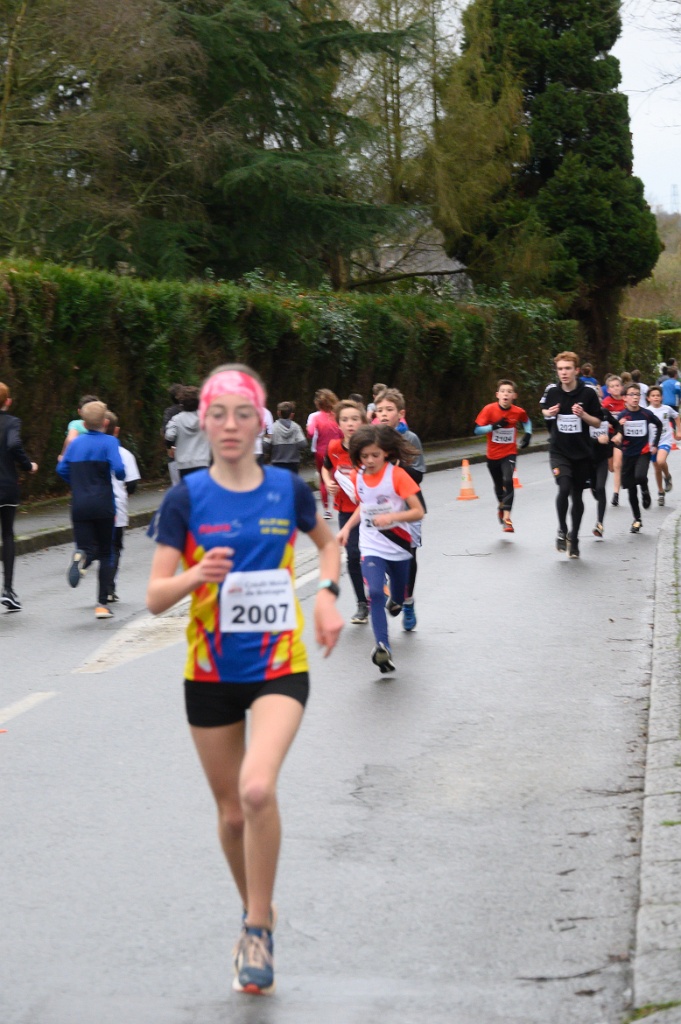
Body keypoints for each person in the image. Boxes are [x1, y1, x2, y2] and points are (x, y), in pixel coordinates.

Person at [146, 363, 343, 997]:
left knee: (257, 790)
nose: (230, 425)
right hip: (209, 673)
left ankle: (257, 929)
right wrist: (195, 575)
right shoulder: (185, 500)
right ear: (203, 423)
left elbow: (329, 544)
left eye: (242, 414)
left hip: (280, 665)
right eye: (218, 414)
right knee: (232, 814)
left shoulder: (286, 490)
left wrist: (327, 595)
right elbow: (154, 595)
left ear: (259, 423)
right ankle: (255, 906)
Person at [337, 424, 425, 673]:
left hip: (398, 544)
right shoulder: (358, 476)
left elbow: (418, 511)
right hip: (371, 544)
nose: (370, 460)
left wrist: (392, 518)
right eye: (364, 456)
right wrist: (346, 528)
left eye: (375, 455)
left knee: (396, 597)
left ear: (386, 452)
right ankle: (382, 647)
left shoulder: (397, 476)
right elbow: (364, 506)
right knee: (375, 592)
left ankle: (397, 600)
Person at [56, 400, 125, 619]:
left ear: (84, 424)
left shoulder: (75, 443)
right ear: (105, 422)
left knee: (85, 546)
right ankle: (102, 605)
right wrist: (117, 474)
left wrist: (77, 483)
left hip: (79, 504)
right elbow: (119, 470)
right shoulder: (110, 442)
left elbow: (61, 468)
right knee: (106, 553)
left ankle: (80, 556)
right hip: (103, 503)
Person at [540, 351, 602, 559]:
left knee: (577, 496)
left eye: (567, 368)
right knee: (564, 487)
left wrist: (583, 415)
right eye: (560, 369)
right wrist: (549, 413)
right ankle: (562, 529)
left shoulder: (588, 393)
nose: (563, 373)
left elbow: (598, 422)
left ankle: (574, 538)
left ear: (576, 370)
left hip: (582, 453)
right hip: (559, 451)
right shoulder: (552, 391)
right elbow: (543, 410)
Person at [374, 388, 425, 631]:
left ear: (400, 413)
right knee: (378, 553)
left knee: (408, 556)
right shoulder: (371, 439)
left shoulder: (410, 439)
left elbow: (419, 475)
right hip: (380, 509)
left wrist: (397, 466)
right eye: (380, 410)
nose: (384, 414)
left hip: (407, 509)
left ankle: (408, 601)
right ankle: (389, 587)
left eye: (389, 409)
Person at [322, 399, 369, 623]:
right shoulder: (334, 447)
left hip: (371, 510)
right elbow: (325, 468)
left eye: (354, 419)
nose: (350, 424)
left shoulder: (370, 448)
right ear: (338, 424)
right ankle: (362, 604)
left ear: (362, 422)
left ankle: (382, 586)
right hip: (346, 511)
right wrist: (328, 483)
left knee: (374, 554)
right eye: (345, 420)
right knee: (352, 555)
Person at [474, 379, 532, 532]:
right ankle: (501, 505)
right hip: (493, 455)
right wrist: (494, 426)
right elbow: (477, 430)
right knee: (499, 485)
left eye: (509, 391)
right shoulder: (489, 409)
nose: (506, 394)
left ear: (514, 396)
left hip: (509, 453)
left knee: (508, 480)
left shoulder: (518, 411)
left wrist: (528, 434)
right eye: (503, 391)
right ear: (497, 394)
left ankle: (507, 519)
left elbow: (526, 421)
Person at [0, 382, 38, 611]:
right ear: (8, 401)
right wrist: (28, 465)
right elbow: (14, 444)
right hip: (5, 486)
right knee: (7, 535)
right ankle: (8, 590)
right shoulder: (11, 422)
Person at [105, 411, 141, 601]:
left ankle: (85, 557)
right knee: (114, 548)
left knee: (98, 546)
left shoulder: (89, 450)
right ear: (116, 430)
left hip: (91, 505)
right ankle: (109, 587)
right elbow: (132, 484)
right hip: (116, 506)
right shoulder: (124, 454)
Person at [616, 383, 662, 533]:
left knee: (640, 476)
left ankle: (645, 490)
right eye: (631, 394)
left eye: (637, 394)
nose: (635, 397)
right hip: (627, 455)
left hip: (643, 452)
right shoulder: (622, 416)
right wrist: (619, 427)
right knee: (631, 490)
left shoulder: (646, 414)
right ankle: (637, 519)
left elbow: (659, 425)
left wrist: (655, 444)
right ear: (625, 398)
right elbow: (616, 437)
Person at [306, 389, 342, 518]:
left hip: (321, 451)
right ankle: (339, 504)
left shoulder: (315, 417)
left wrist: (309, 429)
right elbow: (342, 433)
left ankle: (327, 509)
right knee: (339, 477)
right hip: (336, 450)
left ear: (318, 403)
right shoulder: (337, 416)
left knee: (323, 480)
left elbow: (310, 433)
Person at [588, 404, 622, 540]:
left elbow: (617, 425)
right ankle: (598, 496)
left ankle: (599, 524)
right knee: (595, 489)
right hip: (588, 460)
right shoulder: (583, 416)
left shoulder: (605, 413)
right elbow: (579, 438)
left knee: (600, 488)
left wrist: (618, 434)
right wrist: (597, 440)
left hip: (602, 458)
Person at [165, 386, 211, 477]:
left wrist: (170, 447)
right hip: (203, 462)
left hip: (183, 464)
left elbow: (169, 435)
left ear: (182, 403)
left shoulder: (176, 419)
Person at [647, 385, 680, 505]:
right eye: (653, 396)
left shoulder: (667, 409)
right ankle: (661, 492)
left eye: (658, 395)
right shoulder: (647, 411)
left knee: (660, 461)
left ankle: (667, 476)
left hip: (665, 440)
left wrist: (679, 431)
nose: (656, 397)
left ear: (662, 397)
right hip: (652, 443)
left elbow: (676, 416)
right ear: (648, 398)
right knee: (656, 468)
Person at [263, 401, 307, 473]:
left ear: (278, 413)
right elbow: (303, 444)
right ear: (292, 415)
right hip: (293, 463)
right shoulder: (296, 427)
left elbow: (265, 445)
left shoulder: (273, 427)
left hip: (277, 463)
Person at [602, 375, 625, 506]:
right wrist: (610, 423)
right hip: (609, 436)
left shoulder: (626, 401)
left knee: (617, 465)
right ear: (608, 390)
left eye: (617, 385)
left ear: (621, 387)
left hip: (621, 436)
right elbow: (601, 418)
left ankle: (616, 494)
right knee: (611, 467)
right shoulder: (606, 403)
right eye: (612, 386)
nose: (615, 388)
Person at [57, 393, 99, 462]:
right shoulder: (102, 426)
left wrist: (63, 455)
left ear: (79, 411)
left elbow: (70, 439)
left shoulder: (76, 424)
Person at [162, 383, 183, 486]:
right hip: (194, 457)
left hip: (174, 453)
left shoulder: (169, 412)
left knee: (177, 485)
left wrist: (169, 447)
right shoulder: (194, 412)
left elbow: (165, 432)